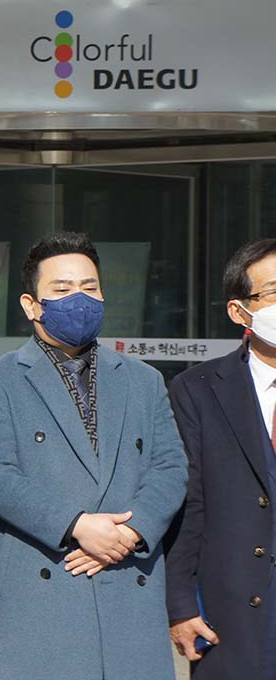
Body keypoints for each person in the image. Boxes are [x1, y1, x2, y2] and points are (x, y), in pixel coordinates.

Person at [0, 231, 187, 679]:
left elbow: (170, 466)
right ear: (31, 305)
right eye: (62, 289)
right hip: (45, 589)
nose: (79, 300)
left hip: (129, 583)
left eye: (89, 287)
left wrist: (131, 532)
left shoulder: (143, 380)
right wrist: (77, 525)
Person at [165, 239, 276, 678]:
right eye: (274, 291)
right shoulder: (198, 389)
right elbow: (187, 504)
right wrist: (181, 605)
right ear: (239, 311)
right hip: (231, 615)